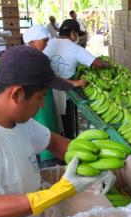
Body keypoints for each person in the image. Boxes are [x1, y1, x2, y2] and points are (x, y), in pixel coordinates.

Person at [0, 45, 115, 217]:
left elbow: (56, 143)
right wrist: (57, 192)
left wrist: (98, 165)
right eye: (40, 98)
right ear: (17, 94)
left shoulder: (21, 123)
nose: (42, 105)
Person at [23, 24, 85, 165]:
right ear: (33, 40)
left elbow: (50, 77)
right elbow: (51, 79)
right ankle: (48, 162)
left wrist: (72, 83)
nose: (46, 45)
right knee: (44, 132)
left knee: (46, 132)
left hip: (42, 101)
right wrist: (72, 83)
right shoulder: (33, 58)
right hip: (36, 104)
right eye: (44, 41)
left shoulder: (33, 55)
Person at [43, 19, 110, 138]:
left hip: (47, 91)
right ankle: (67, 144)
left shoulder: (48, 43)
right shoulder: (74, 48)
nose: (77, 37)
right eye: (77, 34)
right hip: (66, 90)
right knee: (66, 122)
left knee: (53, 123)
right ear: (73, 33)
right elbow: (97, 63)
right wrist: (110, 65)